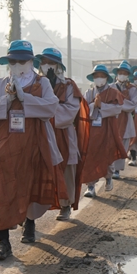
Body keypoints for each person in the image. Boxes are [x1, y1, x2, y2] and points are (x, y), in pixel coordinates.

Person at [0, 40, 61, 258]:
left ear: (31, 61)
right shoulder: (1, 83)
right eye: (13, 60)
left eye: (22, 60)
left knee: (29, 182)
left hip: (33, 142)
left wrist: (25, 98)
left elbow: (50, 107)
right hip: (3, 142)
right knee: (1, 188)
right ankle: (3, 242)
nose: (18, 64)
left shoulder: (42, 83)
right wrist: (9, 100)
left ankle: (29, 223)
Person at [38, 47, 89, 221]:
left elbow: (69, 113)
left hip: (63, 135)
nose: (46, 65)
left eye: (50, 62)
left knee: (66, 169)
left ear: (59, 66)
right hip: (41, 134)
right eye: (43, 62)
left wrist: (46, 106)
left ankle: (65, 205)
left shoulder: (69, 86)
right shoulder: (36, 84)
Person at [81, 65, 127, 197]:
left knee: (107, 154)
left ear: (106, 78)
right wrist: (93, 105)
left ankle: (108, 178)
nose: (99, 78)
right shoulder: (89, 92)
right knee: (90, 156)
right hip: (92, 130)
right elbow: (83, 109)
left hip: (108, 128)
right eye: (96, 76)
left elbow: (118, 109)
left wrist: (102, 106)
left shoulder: (113, 93)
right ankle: (91, 186)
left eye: (101, 76)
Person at [109, 61, 137, 179]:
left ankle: (117, 170)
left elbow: (133, 104)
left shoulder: (132, 89)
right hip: (112, 119)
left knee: (123, 144)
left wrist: (119, 104)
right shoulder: (110, 87)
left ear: (128, 75)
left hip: (126, 120)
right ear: (117, 74)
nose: (122, 75)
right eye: (120, 73)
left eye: (125, 73)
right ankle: (110, 168)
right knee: (111, 144)